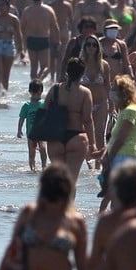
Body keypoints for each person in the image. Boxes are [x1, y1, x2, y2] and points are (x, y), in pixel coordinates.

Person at [43, 58, 97, 191]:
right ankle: (68, 209)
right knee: (71, 182)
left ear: (67, 71)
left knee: (57, 181)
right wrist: (93, 144)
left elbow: (43, 111)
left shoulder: (55, 89)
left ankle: (56, 210)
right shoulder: (85, 93)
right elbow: (87, 120)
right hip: (76, 137)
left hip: (55, 138)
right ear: (82, 73)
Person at [99, 75, 136, 210]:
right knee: (113, 192)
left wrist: (109, 158)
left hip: (124, 155)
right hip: (119, 154)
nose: (111, 92)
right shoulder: (124, 110)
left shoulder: (131, 111)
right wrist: (105, 154)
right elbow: (114, 138)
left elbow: (121, 138)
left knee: (118, 194)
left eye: (114, 89)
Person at [79, 35, 112, 159]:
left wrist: (112, 105)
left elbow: (108, 86)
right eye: (88, 44)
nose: (91, 47)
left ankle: (100, 164)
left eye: (94, 45)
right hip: (85, 104)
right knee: (86, 135)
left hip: (101, 103)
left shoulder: (104, 65)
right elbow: (74, 84)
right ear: (85, 47)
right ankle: (88, 162)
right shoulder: (80, 64)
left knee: (99, 133)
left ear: (98, 47)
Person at [17, 79, 47, 172]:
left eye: (38, 94)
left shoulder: (43, 104)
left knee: (42, 148)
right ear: (30, 92)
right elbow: (22, 118)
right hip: (31, 133)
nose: (36, 96)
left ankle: (44, 167)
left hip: (42, 132)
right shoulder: (27, 105)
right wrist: (19, 130)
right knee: (32, 152)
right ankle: (32, 169)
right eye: (34, 94)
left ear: (41, 92)